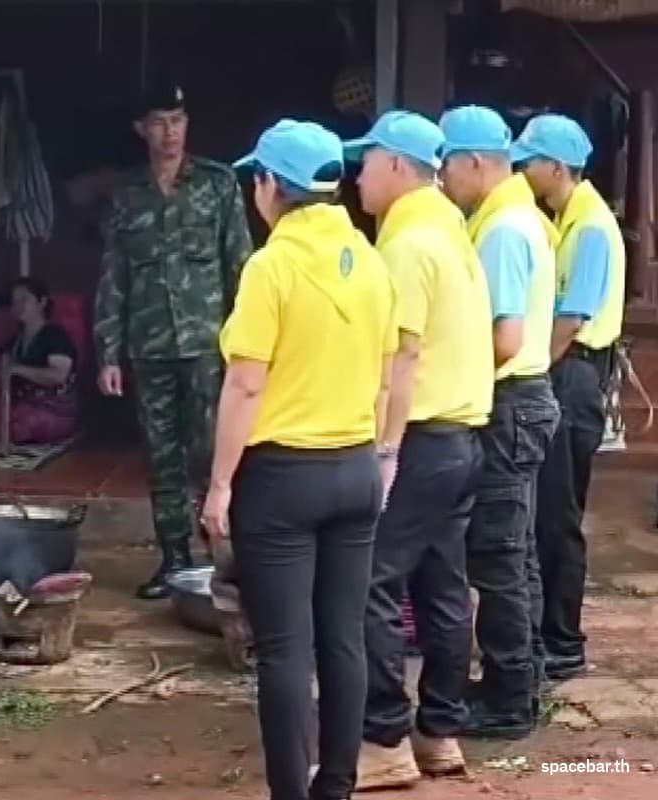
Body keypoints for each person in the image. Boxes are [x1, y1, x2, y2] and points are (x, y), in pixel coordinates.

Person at [201, 119, 396, 800]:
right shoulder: (371, 260)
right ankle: (335, 786)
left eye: (258, 178)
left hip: (283, 478)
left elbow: (246, 382)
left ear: (271, 188)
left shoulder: (271, 267)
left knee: (285, 648)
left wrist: (220, 485)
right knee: (344, 638)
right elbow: (385, 370)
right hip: (354, 468)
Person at [344, 111, 494, 787]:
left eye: (367, 162)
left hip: (423, 441)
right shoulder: (451, 232)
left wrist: (383, 451)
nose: (358, 176)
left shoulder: (407, 246)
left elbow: (399, 358)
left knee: (372, 582)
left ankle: (383, 740)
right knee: (441, 588)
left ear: (398, 167)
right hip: (462, 439)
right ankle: (440, 731)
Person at [94, 79, 254, 600]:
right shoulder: (127, 197)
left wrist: (249, 346)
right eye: (160, 122)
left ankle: (223, 559)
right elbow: (114, 276)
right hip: (151, 346)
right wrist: (108, 351)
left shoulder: (218, 184)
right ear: (141, 129)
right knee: (161, 456)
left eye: (178, 121)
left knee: (215, 454)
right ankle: (175, 559)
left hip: (210, 347)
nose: (170, 133)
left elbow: (241, 266)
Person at [439, 106, 561, 739]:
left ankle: (511, 699)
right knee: (519, 556)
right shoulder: (516, 217)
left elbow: (505, 338)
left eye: (448, 165)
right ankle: (522, 678)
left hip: (509, 399)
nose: (442, 180)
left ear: (478, 163)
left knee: (497, 557)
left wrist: (456, 376)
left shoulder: (504, 230)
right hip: (525, 401)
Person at [514, 114, 626, 681]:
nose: (522, 170)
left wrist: (530, 367)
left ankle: (562, 640)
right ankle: (552, 634)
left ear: (555, 168)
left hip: (573, 372)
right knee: (550, 513)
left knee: (559, 515)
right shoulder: (568, 219)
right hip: (570, 371)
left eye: (529, 161)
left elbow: (570, 320)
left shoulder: (588, 228)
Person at [0, 277, 79, 444]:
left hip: (54, 411)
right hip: (19, 407)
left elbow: (58, 376)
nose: (18, 305)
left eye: (25, 299)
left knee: (22, 426)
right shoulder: (12, 343)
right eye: (15, 301)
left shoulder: (55, 336)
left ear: (42, 302)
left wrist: (16, 369)